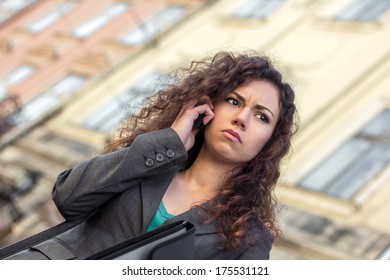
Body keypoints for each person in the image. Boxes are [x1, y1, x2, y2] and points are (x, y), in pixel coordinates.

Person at [6, 50, 297, 259]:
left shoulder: (248, 238)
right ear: (208, 107)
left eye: (262, 117)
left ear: (269, 142)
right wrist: (169, 141)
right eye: (234, 101)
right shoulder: (150, 159)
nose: (242, 118)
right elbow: (68, 197)